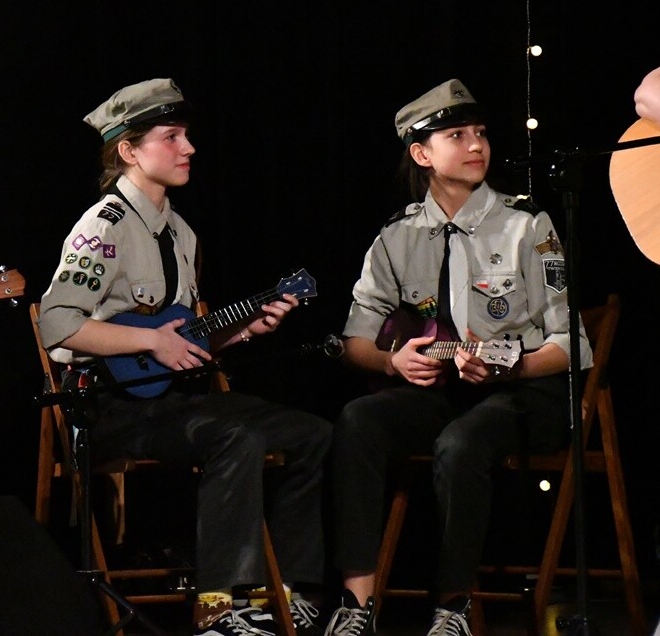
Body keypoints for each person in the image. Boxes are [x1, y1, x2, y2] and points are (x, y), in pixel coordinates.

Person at [37, 78, 332, 636]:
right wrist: (150, 341)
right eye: (170, 137)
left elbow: (181, 337)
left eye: (186, 136)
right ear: (128, 151)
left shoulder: (182, 233)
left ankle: (290, 593)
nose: (188, 148)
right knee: (234, 437)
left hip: (169, 401)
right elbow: (59, 325)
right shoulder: (105, 226)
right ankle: (221, 605)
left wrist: (242, 331)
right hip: (107, 407)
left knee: (310, 432)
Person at [324, 79, 592, 636]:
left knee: (462, 441)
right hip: (451, 388)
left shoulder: (526, 224)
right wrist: (392, 364)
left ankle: (453, 606)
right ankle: (357, 605)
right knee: (358, 420)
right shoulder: (397, 236)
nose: (476, 146)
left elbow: (572, 344)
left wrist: (510, 366)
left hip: (525, 390)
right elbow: (355, 341)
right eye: (456, 135)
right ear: (421, 155)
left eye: (480, 134)